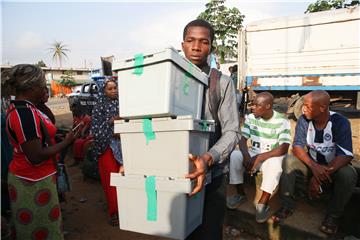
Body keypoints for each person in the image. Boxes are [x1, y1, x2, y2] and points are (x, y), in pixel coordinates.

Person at [4, 64, 78, 239]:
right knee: (39, 229)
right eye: (42, 85)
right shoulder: (24, 113)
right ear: (31, 87)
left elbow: (40, 139)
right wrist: (67, 142)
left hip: (37, 177)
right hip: (31, 180)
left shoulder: (29, 109)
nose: (45, 88)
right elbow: (35, 156)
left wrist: (59, 139)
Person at [182, 19, 240, 240]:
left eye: (203, 42)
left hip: (214, 174)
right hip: (181, 172)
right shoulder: (170, 80)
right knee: (184, 229)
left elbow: (232, 131)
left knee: (210, 230)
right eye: (191, 40)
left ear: (211, 47)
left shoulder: (221, 82)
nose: (196, 47)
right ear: (183, 44)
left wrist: (208, 158)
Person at [272, 90, 358, 235]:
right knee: (289, 160)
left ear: (323, 107)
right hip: (312, 165)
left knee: (349, 174)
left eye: (308, 106)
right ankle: (287, 205)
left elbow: (346, 155)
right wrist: (314, 168)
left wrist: (321, 174)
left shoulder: (340, 122)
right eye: (303, 105)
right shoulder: (304, 120)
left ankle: (333, 215)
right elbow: (297, 147)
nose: (303, 109)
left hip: (333, 167)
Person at [227, 92, 291, 223]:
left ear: (268, 106)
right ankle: (240, 194)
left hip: (271, 156)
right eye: (253, 104)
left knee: (274, 164)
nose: (252, 107)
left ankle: (263, 202)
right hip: (254, 153)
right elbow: (242, 140)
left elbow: (284, 147)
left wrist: (259, 158)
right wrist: (246, 157)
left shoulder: (282, 120)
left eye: (257, 105)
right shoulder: (251, 118)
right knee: (235, 155)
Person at [90, 78, 124, 226]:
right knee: (112, 181)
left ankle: (126, 209)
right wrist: (111, 123)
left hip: (123, 146)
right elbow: (96, 129)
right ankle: (115, 212)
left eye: (115, 88)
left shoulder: (123, 103)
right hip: (106, 147)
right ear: (103, 91)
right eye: (109, 89)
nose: (113, 91)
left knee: (124, 179)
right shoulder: (99, 106)